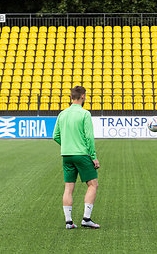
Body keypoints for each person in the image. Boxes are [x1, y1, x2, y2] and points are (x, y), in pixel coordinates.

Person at [53, 86, 101, 229]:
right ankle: (86, 219)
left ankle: (69, 222)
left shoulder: (62, 114)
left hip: (66, 155)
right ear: (83, 97)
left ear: (71, 97)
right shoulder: (84, 114)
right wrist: (93, 156)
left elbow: (55, 136)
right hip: (81, 154)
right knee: (93, 185)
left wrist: (67, 145)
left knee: (68, 188)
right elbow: (89, 137)